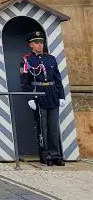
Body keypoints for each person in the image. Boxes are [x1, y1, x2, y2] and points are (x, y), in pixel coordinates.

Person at [20, 30, 66, 166]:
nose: (39, 45)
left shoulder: (50, 58)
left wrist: (61, 95)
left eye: (41, 42)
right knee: (43, 127)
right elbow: (25, 81)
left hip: (52, 94)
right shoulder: (26, 59)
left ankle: (56, 154)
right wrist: (29, 98)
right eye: (36, 43)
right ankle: (46, 155)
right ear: (31, 45)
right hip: (38, 94)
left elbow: (58, 79)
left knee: (53, 127)